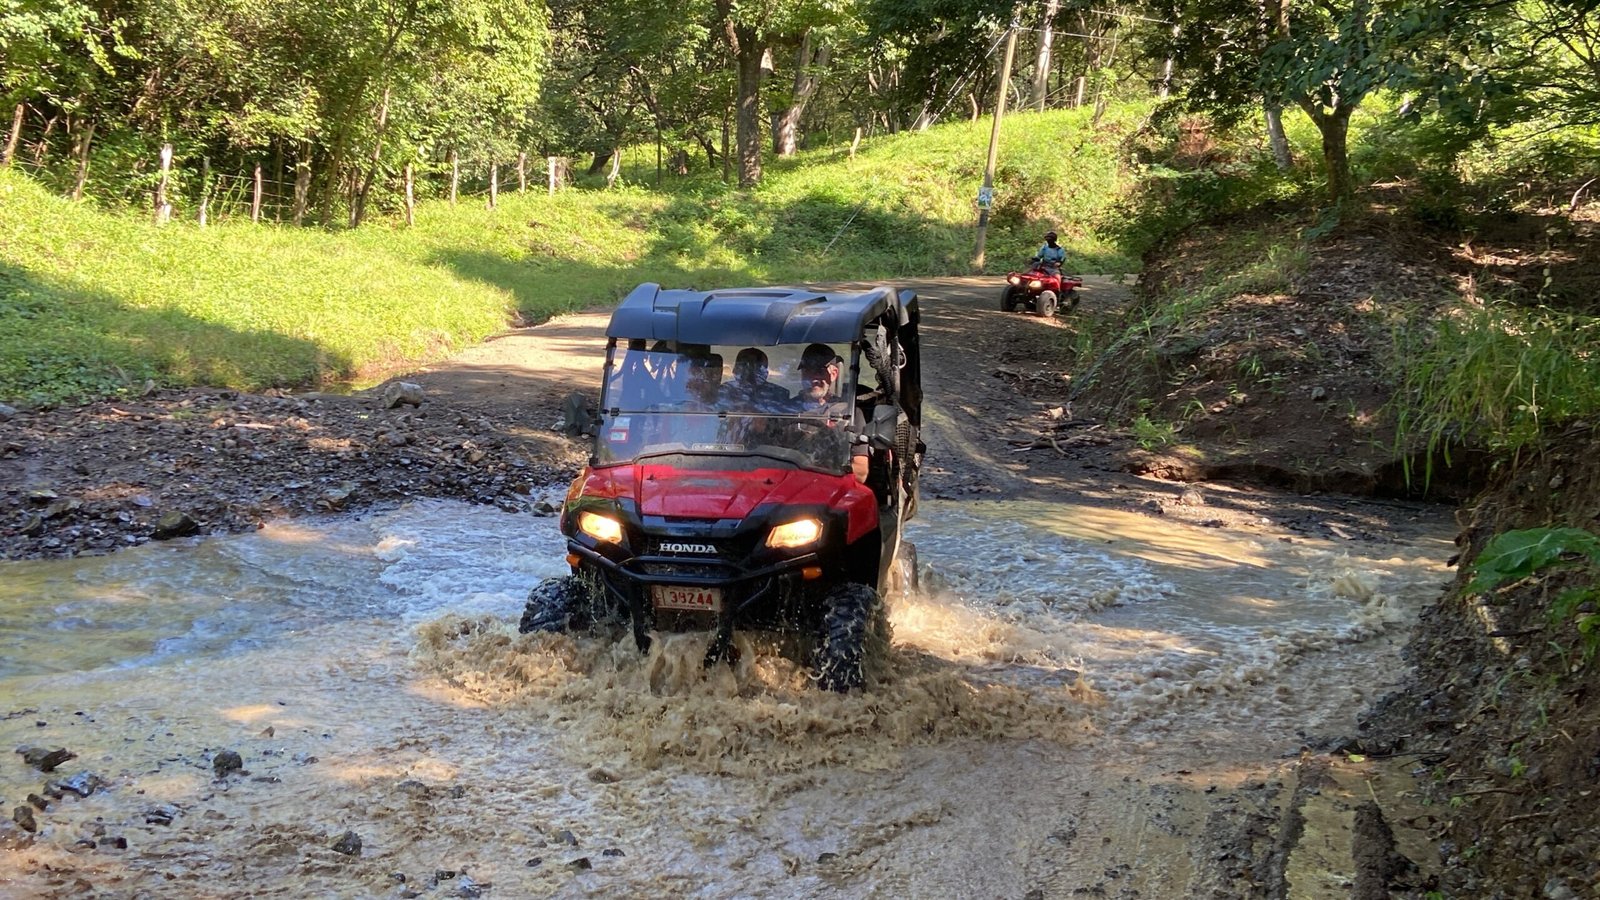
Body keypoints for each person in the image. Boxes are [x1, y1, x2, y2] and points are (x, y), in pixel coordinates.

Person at [789, 343, 870, 483]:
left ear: (833, 374)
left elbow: (861, 472)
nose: (813, 378)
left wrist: (814, 471)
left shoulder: (851, 413)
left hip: (830, 484)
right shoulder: (786, 408)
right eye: (807, 371)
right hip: (787, 482)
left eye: (819, 371)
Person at [718, 348, 790, 411]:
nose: (749, 374)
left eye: (757, 368)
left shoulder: (779, 395)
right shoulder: (723, 391)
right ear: (735, 370)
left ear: (765, 374)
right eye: (743, 366)